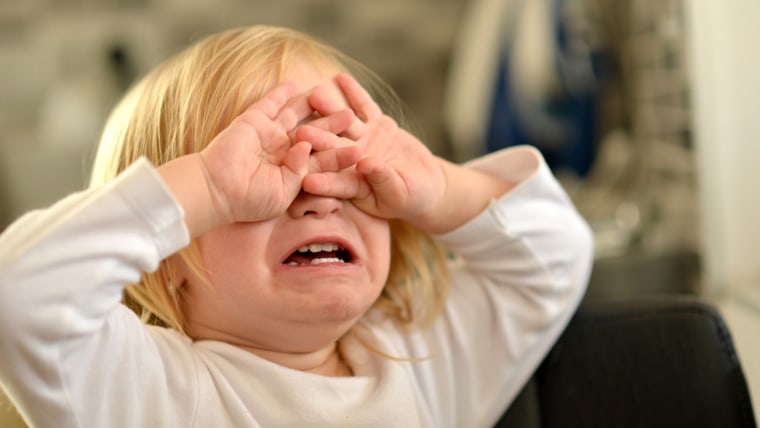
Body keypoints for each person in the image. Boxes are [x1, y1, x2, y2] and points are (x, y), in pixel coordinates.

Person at [0, 25, 593, 427]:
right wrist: (206, 187)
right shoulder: (154, 392)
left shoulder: (423, 361)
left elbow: (555, 255)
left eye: (342, 158)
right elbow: (18, 296)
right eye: (260, 180)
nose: (316, 196)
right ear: (166, 253)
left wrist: (435, 185)